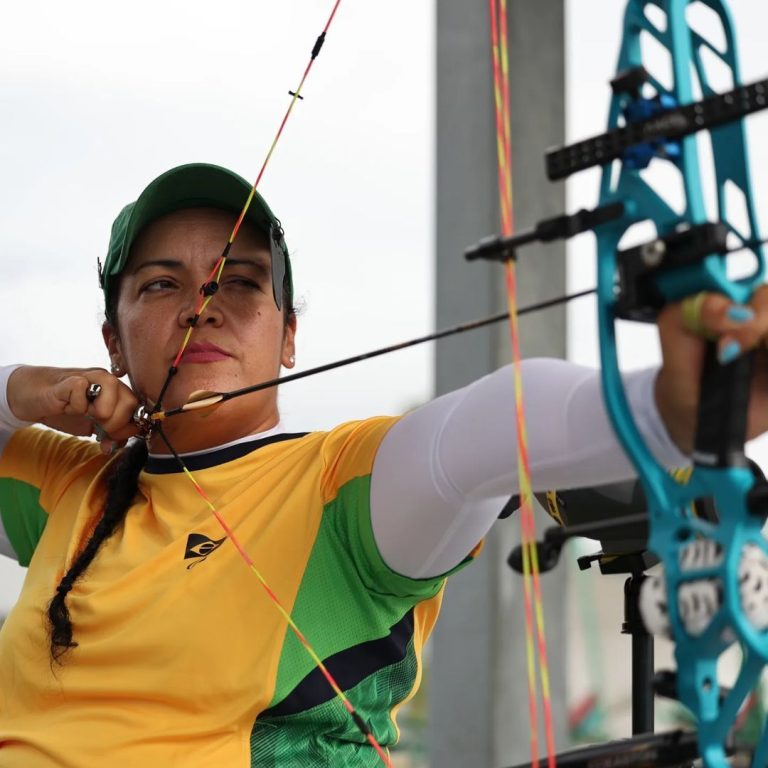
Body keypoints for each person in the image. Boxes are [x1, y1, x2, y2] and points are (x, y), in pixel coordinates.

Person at [1, 163, 767, 768]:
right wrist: (25, 388)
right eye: (161, 284)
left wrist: (673, 412)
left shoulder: (336, 489)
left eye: (241, 283)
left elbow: (493, 425)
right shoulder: (71, 487)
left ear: (289, 336)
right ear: (112, 338)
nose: (204, 305)